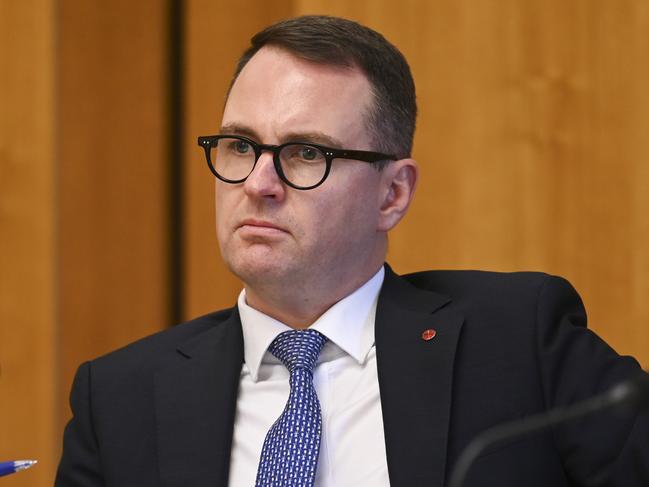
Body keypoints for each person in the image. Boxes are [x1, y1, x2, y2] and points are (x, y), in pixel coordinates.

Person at [56, 15, 648, 487]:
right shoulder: (121, 399)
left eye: (307, 153)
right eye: (240, 146)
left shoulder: (518, 342)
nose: (259, 183)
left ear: (392, 194)